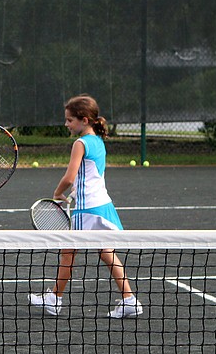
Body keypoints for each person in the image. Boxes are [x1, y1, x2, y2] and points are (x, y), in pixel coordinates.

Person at [29, 94, 143, 319]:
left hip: (87, 210)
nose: (66, 124)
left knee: (67, 252)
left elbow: (70, 177)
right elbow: (91, 175)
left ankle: (54, 298)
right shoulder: (98, 141)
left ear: (84, 120)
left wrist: (57, 193)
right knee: (106, 253)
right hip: (102, 205)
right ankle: (130, 300)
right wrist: (74, 190)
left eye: (70, 120)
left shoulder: (79, 143)